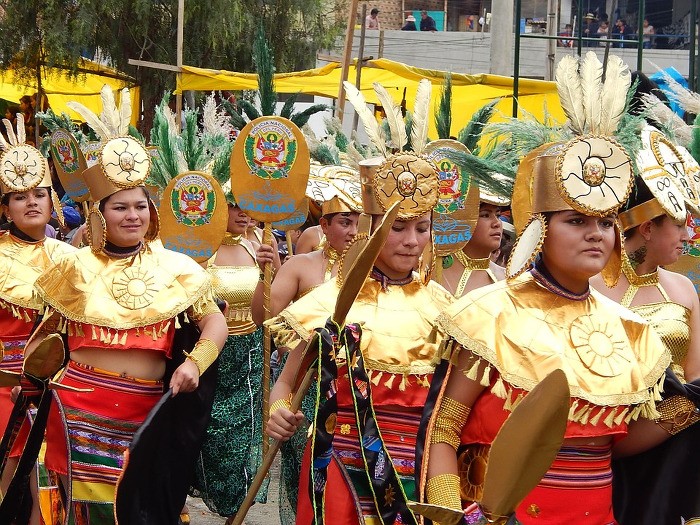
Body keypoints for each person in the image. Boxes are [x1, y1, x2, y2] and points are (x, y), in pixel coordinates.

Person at [421, 53, 680, 524]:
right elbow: (443, 427)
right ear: (540, 229)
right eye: (576, 221)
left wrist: (688, 408)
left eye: (604, 222)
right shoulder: (489, 313)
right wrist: (445, 516)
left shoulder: (631, 330)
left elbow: (616, 441)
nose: (595, 233)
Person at [29, 90, 228, 524]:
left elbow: (214, 322)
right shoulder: (73, 266)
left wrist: (196, 361)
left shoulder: (179, 268)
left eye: (140, 205)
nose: (132, 215)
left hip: (148, 414)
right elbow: (46, 340)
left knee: (139, 511)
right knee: (78, 514)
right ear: (99, 214)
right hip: (76, 408)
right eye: (120, 207)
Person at [265, 152, 453, 525]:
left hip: (421, 473)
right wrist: (277, 412)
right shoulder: (332, 302)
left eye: (422, 228)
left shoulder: (446, 310)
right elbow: (286, 381)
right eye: (397, 227)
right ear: (371, 228)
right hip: (342, 469)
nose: (412, 241)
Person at [591, 128, 700, 524]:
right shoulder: (589, 289)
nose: (688, 236)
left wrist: (678, 416)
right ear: (647, 227)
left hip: (680, 443)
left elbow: (695, 378)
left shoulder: (685, 288)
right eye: (678, 223)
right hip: (604, 439)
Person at [254, 186, 361, 524]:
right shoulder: (301, 266)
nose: (354, 231)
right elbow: (264, 318)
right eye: (345, 222)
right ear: (324, 227)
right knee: (305, 478)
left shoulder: (377, 278)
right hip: (304, 386)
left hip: (355, 393)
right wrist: (264, 275)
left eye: (361, 222)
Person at [0, 117, 76, 524]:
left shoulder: (72, 259)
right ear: (5, 208)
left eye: (39, 193)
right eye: (19, 196)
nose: (31, 202)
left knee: (54, 492)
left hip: (60, 390)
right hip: (4, 389)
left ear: (52, 202)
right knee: (8, 485)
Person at [191, 202, 274, 522]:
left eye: (248, 208)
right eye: (234, 207)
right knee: (210, 435)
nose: (244, 214)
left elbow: (272, 303)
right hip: (211, 353)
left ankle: (239, 506)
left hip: (251, 354)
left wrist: (273, 267)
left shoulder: (258, 247)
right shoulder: (199, 252)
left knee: (248, 435)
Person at [439, 192, 507, 297]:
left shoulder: (507, 279)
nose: (497, 223)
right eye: (485, 215)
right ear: (463, 220)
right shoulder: (434, 274)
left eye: (498, 215)